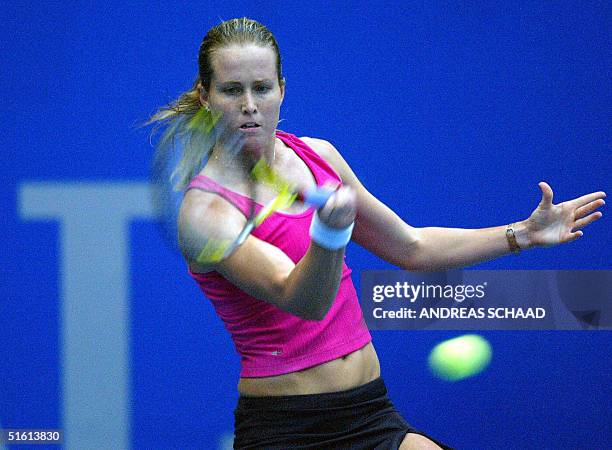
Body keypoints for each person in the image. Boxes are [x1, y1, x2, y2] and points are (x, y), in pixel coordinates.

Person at [148, 17, 606, 450]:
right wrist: (330, 235)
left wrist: (521, 233)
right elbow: (302, 299)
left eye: (262, 88)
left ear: (282, 90)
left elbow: (410, 246)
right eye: (232, 90)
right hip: (286, 429)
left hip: (370, 411)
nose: (249, 104)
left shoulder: (318, 156)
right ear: (205, 96)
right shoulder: (205, 212)